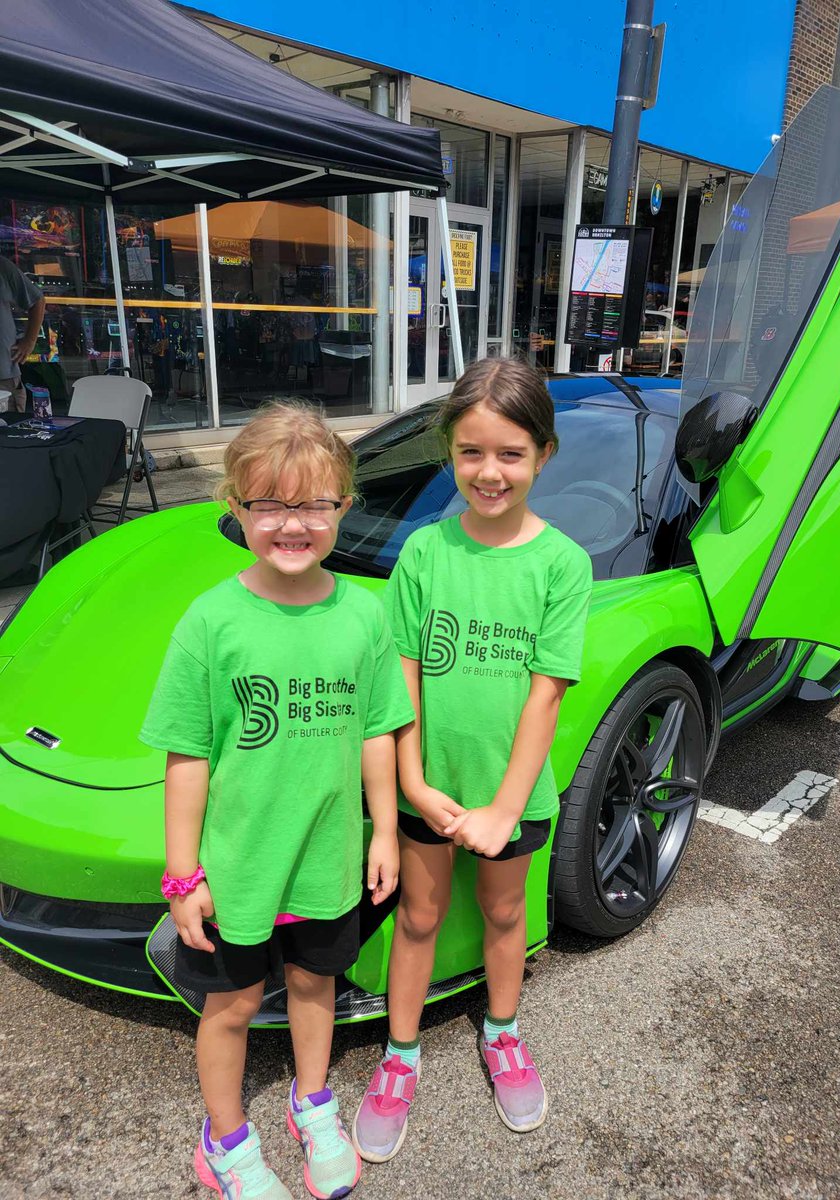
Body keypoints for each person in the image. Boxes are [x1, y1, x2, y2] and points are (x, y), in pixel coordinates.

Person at [140, 402, 414, 1200]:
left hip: (326, 861)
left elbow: (377, 734)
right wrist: (183, 876)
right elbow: (187, 758)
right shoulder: (211, 623)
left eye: (312, 505)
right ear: (236, 507)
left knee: (313, 988)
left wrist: (386, 830)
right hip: (240, 868)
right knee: (229, 1004)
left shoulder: (364, 615)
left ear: (342, 507)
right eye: (270, 504)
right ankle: (225, 1138)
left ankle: (313, 1100)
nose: (292, 524)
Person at [353, 357, 592, 1161]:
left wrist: (504, 809)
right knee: (416, 919)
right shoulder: (425, 552)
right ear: (449, 451)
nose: (490, 473)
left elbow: (545, 696)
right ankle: (401, 1054)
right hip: (433, 790)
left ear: (545, 455)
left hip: (510, 797)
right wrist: (414, 782)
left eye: (512, 453)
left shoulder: (563, 563)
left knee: (503, 914)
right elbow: (405, 678)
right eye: (471, 453)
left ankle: (504, 1032)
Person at [0, 254, 45, 413]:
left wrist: (30, 341)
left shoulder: (3, 267)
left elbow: (37, 300)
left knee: (9, 432)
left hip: (3, 375)